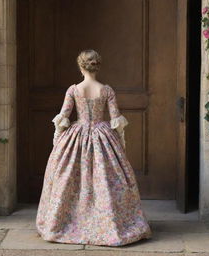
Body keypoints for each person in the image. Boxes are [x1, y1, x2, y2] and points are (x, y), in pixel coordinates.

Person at [36, 49, 152, 246]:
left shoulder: (73, 90)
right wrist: (119, 146)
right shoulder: (106, 90)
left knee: (67, 180)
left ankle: (65, 224)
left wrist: (58, 141)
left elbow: (63, 118)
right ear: (97, 66)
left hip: (77, 134)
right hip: (102, 136)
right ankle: (108, 224)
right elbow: (116, 120)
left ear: (81, 67)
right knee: (106, 180)